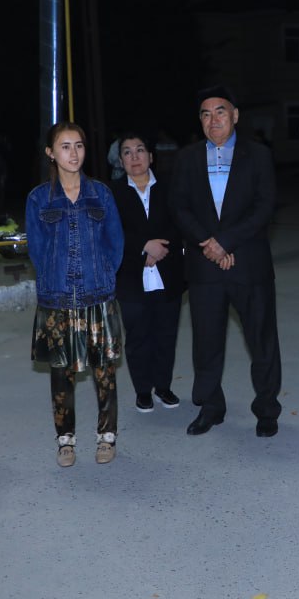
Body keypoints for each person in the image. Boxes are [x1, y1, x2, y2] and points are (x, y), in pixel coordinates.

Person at [169, 85, 283, 437]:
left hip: (248, 262)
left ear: (235, 115)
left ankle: (266, 409)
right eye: (205, 114)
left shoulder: (258, 154)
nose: (213, 119)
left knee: (262, 340)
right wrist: (208, 242)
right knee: (206, 341)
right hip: (204, 265)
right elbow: (179, 206)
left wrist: (226, 242)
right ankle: (211, 406)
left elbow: (264, 205)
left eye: (220, 111)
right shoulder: (187, 158)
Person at [26, 122, 125, 466]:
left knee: (104, 370)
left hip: (98, 295)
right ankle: (65, 440)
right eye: (65, 146)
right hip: (57, 298)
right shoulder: (38, 198)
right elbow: (38, 251)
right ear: (51, 153)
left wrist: (103, 276)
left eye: (79, 145)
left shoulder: (101, 194)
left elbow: (115, 243)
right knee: (61, 372)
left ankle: (107, 437)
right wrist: (55, 281)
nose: (73, 153)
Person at [110, 132, 185, 413]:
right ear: (121, 161)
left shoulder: (171, 187)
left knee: (166, 334)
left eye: (140, 150)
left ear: (151, 156)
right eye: (127, 152)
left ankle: (163, 387)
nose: (134, 157)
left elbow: (182, 222)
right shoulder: (113, 193)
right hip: (131, 276)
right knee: (138, 336)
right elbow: (112, 232)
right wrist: (144, 246)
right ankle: (143, 391)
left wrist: (160, 248)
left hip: (168, 271)